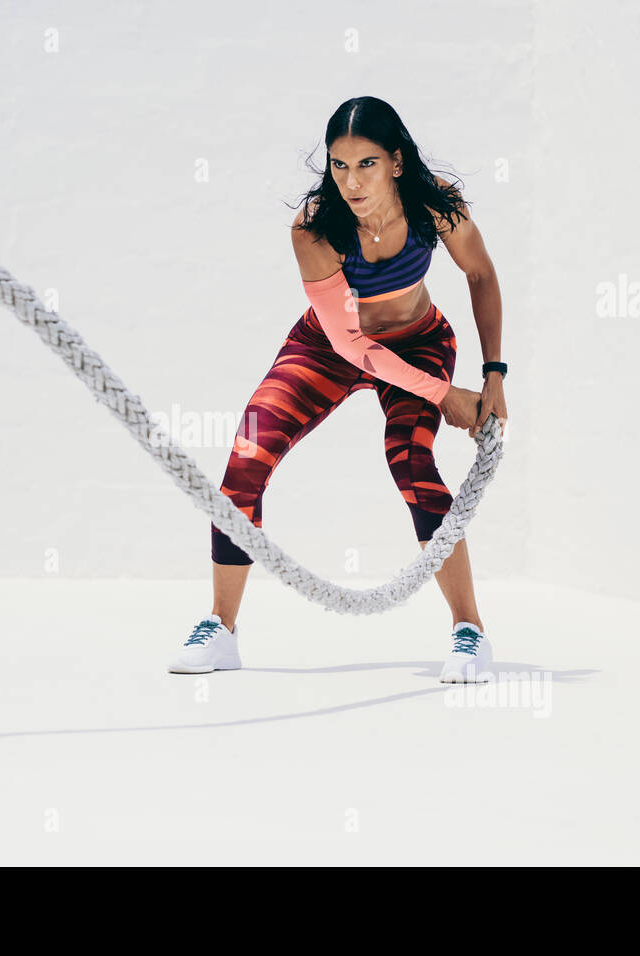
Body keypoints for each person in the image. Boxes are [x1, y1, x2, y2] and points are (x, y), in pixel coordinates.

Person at [168, 96, 508, 683]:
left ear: (396, 162)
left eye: (367, 164)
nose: (351, 182)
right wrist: (444, 394)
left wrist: (493, 375)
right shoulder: (315, 227)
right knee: (245, 459)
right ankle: (221, 629)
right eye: (339, 166)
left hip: (416, 342)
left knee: (411, 462)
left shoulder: (436, 203)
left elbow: (480, 273)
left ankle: (468, 631)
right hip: (329, 345)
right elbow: (352, 346)